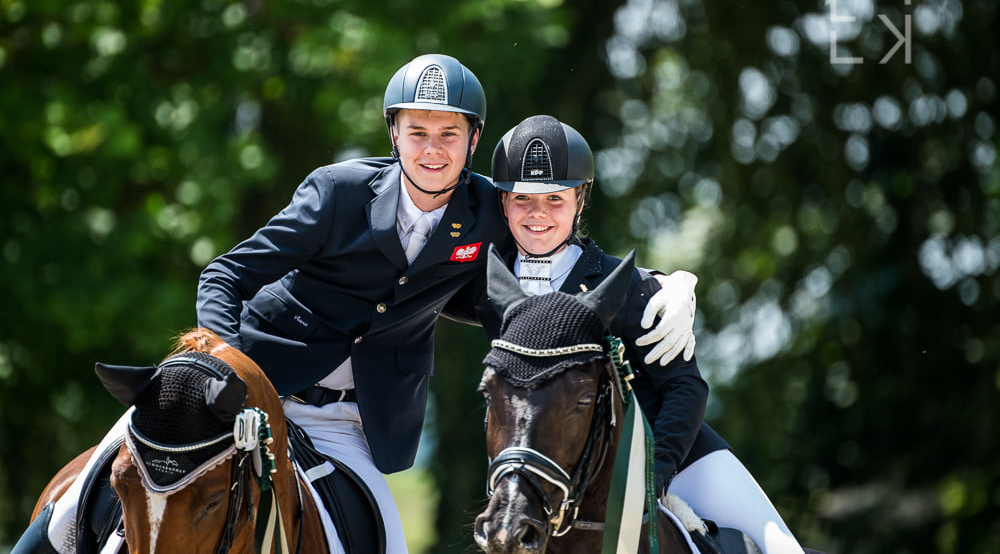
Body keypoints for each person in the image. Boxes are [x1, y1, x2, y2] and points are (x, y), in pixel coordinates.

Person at [12, 54, 694, 554]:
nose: (433, 150)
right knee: (103, 472)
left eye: (449, 134)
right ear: (393, 133)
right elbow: (225, 273)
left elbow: (561, 268)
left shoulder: (494, 207)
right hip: (256, 389)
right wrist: (225, 370)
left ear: (474, 139)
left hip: (351, 422)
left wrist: (666, 284)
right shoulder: (336, 192)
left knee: (389, 541)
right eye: (417, 131)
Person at [460, 114, 806, 554]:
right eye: (523, 199)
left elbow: (685, 387)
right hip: (553, 478)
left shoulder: (630, 289)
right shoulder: (492, 289)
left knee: (782, 549)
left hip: (677, 460)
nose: (538, 214)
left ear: (580, 201)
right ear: (504, 202)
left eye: (555, 199)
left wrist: (651, 476)